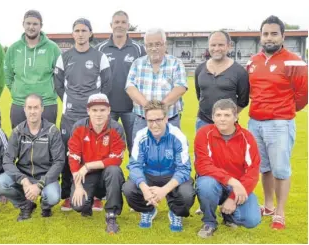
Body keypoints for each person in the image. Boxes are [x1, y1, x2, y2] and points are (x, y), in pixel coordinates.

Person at [247, 15, 308, 230]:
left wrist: (284, 112)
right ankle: (269, 205)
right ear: (260, 36)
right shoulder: (253, 61)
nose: (269, 37)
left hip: (280, 123)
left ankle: (280, 213)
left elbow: (302, 95)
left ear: (283, 36)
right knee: (264, 168)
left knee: (281, 169)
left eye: (274, 33)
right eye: (265, 34)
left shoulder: (294, 61)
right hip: (255, 122)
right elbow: (252, 92)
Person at [54, 18, 112, 211]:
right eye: (77, 30)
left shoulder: (99, 56)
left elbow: (107, 85)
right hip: (70, 115)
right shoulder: (64, 57)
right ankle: (68, 194)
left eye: (84, 30)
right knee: (68, 153)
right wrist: (71, 101)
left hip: (91, 117)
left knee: (93, 153)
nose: (80, 34)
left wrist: (93, 107)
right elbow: (58, 85)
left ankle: (96, 195)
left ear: (90, 33)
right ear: (73, 34)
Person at [123, 100, 194, 232]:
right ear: (146, 119)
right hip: (150, 175)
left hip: (172, 175)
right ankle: (148, 210)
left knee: (187, 194)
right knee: (128, 189)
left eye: (158, 120)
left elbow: (184, 169)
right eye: (150, 121)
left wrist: (164, 190)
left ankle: (175, 212)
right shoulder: (141, 136)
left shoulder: (178, 136)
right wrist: (144, 188)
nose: (154, 125)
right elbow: (134, 165)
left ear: (166, 118)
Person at [195, 99, 261, 238]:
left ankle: (228, 215)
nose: (222, 119)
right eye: (218, 115)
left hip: (236, 187)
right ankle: (209, 222)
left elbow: (253, 172)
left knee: (252, 221)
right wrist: (232, 181)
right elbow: (203, 165)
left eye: (227, 115)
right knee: (206, 184)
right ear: (213, 117)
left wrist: (232, 197)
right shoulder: (203, 133)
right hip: (214, 182)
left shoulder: (247, 138)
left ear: (236, 117)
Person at [0, 94, 65, 221]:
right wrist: (23, 180)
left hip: (45, 176)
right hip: (23, 176)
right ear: (24, 109)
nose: (33, 111)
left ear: (42, 109)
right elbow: (7, 160)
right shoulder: (18, 131)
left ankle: (45, 205)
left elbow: (59, 162)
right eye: (30, 108)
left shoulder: (52, 131)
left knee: (53, 196)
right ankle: (25, 205)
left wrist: (40, 185)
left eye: (36, 107)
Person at [67, 93, 126, 234]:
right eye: (94, 110)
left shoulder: (116, 128)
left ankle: (111, 215)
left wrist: (88, 166)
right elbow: (73, 158)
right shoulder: (79, 127)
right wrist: (79, 185)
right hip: (87, 176)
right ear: (88, 111)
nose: (98, 114)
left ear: (109, 110)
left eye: (102, 110)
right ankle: (88, 203)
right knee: (78, 205)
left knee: (114, 170)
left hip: (106, 173)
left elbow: (116, 159)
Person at [96, 10, 146, 155]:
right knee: (105, 147)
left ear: (128, 25)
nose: (120, 25)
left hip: (132, 108)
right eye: (117, 22)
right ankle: (109, 177)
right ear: (111, 25)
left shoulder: (138, 49)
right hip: (106, 108)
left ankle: (135, 177)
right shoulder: (100, 49)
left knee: (135, 147)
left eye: (123, 22)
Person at [126, 28, 187, 142]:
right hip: (142, 121)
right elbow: (130, 87)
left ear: (165, 45)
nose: (154, 48)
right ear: (145, 46)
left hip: (169, 120)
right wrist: (148, 107)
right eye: (150, 45)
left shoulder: (176, 63)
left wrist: (159, 109)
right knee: (140, 156)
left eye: (158, 44)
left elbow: (181, 87)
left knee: (170, 156)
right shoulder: (137, 64)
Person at [5, 10, 61, 129]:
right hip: (20, 104)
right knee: (19, 144)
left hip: (46, 104)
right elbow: (8, 76)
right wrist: (18, 90)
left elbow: (60, 76)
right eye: (28, 23)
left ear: (41, 26)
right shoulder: (13, 48)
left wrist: (50, 91)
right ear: (23, 24)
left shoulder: (52, 48)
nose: (31, 27)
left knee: (46, 144)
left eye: (35, 24)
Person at [195, 30, 249, 131]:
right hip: (203, 122)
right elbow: (200, 96)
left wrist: (226, 117)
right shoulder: (200, 69)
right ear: (208, 46)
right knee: (202, 147)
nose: (216, 48)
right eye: (213, 45)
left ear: (229, 46)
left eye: (221, 45)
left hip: (228, 125)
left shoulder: (240, 71)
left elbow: (243, 101)